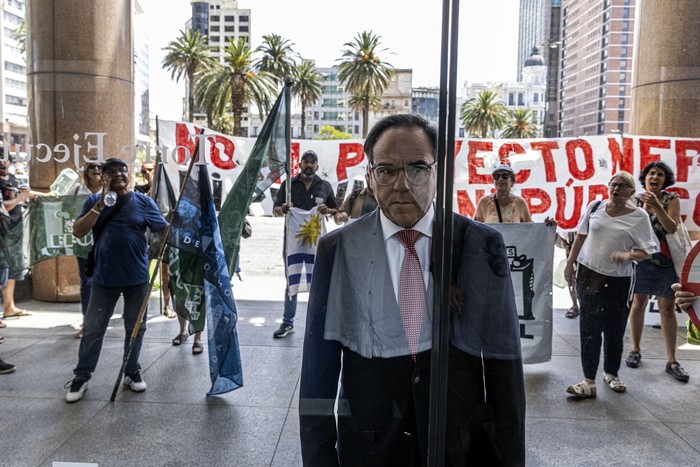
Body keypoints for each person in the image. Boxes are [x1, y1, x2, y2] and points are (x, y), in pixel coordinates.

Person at [299, 114, 525, 466]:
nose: (402, 185)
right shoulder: (337, 250)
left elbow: (503, 368)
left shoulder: (479, 244)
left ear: (438, 172)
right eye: (387, 170)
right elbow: (318, 374)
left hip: (460, 445)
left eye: (417, 168)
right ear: (371, 176)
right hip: (371, 448)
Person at [65, 158, 168, 403]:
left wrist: (174, 221)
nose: (119, 174)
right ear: (103, 178)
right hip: (104, 278)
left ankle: (131, 371)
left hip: (137, 278)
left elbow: (164, 230)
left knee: (135, 328)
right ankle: (82, 375)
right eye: (112, 172)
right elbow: (78, 231)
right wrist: (100, 206)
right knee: (93, 329)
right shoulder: (92, 201)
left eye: (123, 170)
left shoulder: (143, 201)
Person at [564, 171, 658, 398]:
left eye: (622, 186)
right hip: (589, 274)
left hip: (619, 280)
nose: (616, 190)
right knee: (589, 328)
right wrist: (570, 264)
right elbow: (580, 235)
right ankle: (588, 381)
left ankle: (611, 373)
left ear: (631, 192)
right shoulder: (595, 207)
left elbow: (650, 251)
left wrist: (627, 256)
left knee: (615, 328)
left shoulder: (639, 216)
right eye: (613, 185)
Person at [626, 162, 689, 382]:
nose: (655, 176)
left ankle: (672, 361)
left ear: (665, 180)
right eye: (652, 173)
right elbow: (632, 229)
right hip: (640, 260)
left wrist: (657, 207)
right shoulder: (634, 199)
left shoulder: (671, 199)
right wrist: (644, 206)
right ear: (645, 178)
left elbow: (672, 227)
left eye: (660, 174)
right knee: (638, 303)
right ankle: (635, 350)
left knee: (667, 308)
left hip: (665, 261)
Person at [272, 150, 338, 338]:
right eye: (306, 161)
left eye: (313, 162)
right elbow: (275, 210)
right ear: (300, 164)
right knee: (291, 279)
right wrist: (283, 209)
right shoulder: (288, 186)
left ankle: (317, 322)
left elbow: (337, 210)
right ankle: (287, 322)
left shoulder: (324, 186)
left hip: (316, 243)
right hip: (292, 242)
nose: (309, 165)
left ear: (317, 166)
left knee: (316, 281)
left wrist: (329, 210)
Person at [0, 155, 41, 324]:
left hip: (15, 230)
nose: (2, 163)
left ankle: (9, 307)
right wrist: (20, 198)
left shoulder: (13, 179)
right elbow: (5, 206)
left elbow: (24, 195)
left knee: (12, 270)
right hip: (2, 232)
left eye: (4, 159)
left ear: (9, 162)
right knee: (2, 270)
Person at [73, 162, 104, 338]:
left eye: (100, 167)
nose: (96, 170)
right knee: (87, 284)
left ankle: (100, 320)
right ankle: (88, 323)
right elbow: (56, 201)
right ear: (86, 171)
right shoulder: (77, 191)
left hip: (105, 244)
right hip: (84, 246)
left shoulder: (111, 192)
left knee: (105, 283)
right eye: (92, 166)